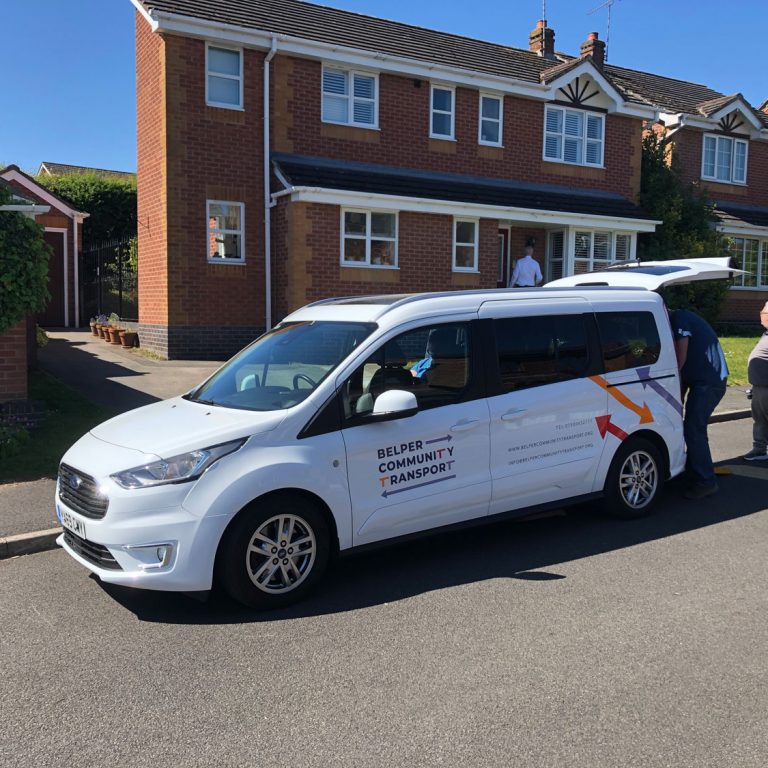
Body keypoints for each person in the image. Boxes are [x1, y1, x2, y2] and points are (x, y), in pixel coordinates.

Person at [670, 308, 728, 499]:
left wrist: (670, 383)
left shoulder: (679, 318)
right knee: (689, 427)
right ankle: (693, 472)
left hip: (709, 382)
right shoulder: (680, 318)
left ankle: (706, 481)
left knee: (694, 428)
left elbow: (681, 356)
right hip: (701, 380)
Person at [743, 302, 768, 461]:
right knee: (759, 420)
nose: (762, 315)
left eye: (765, 313)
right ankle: (759, 449)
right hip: (759, 385)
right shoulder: (766, 334)